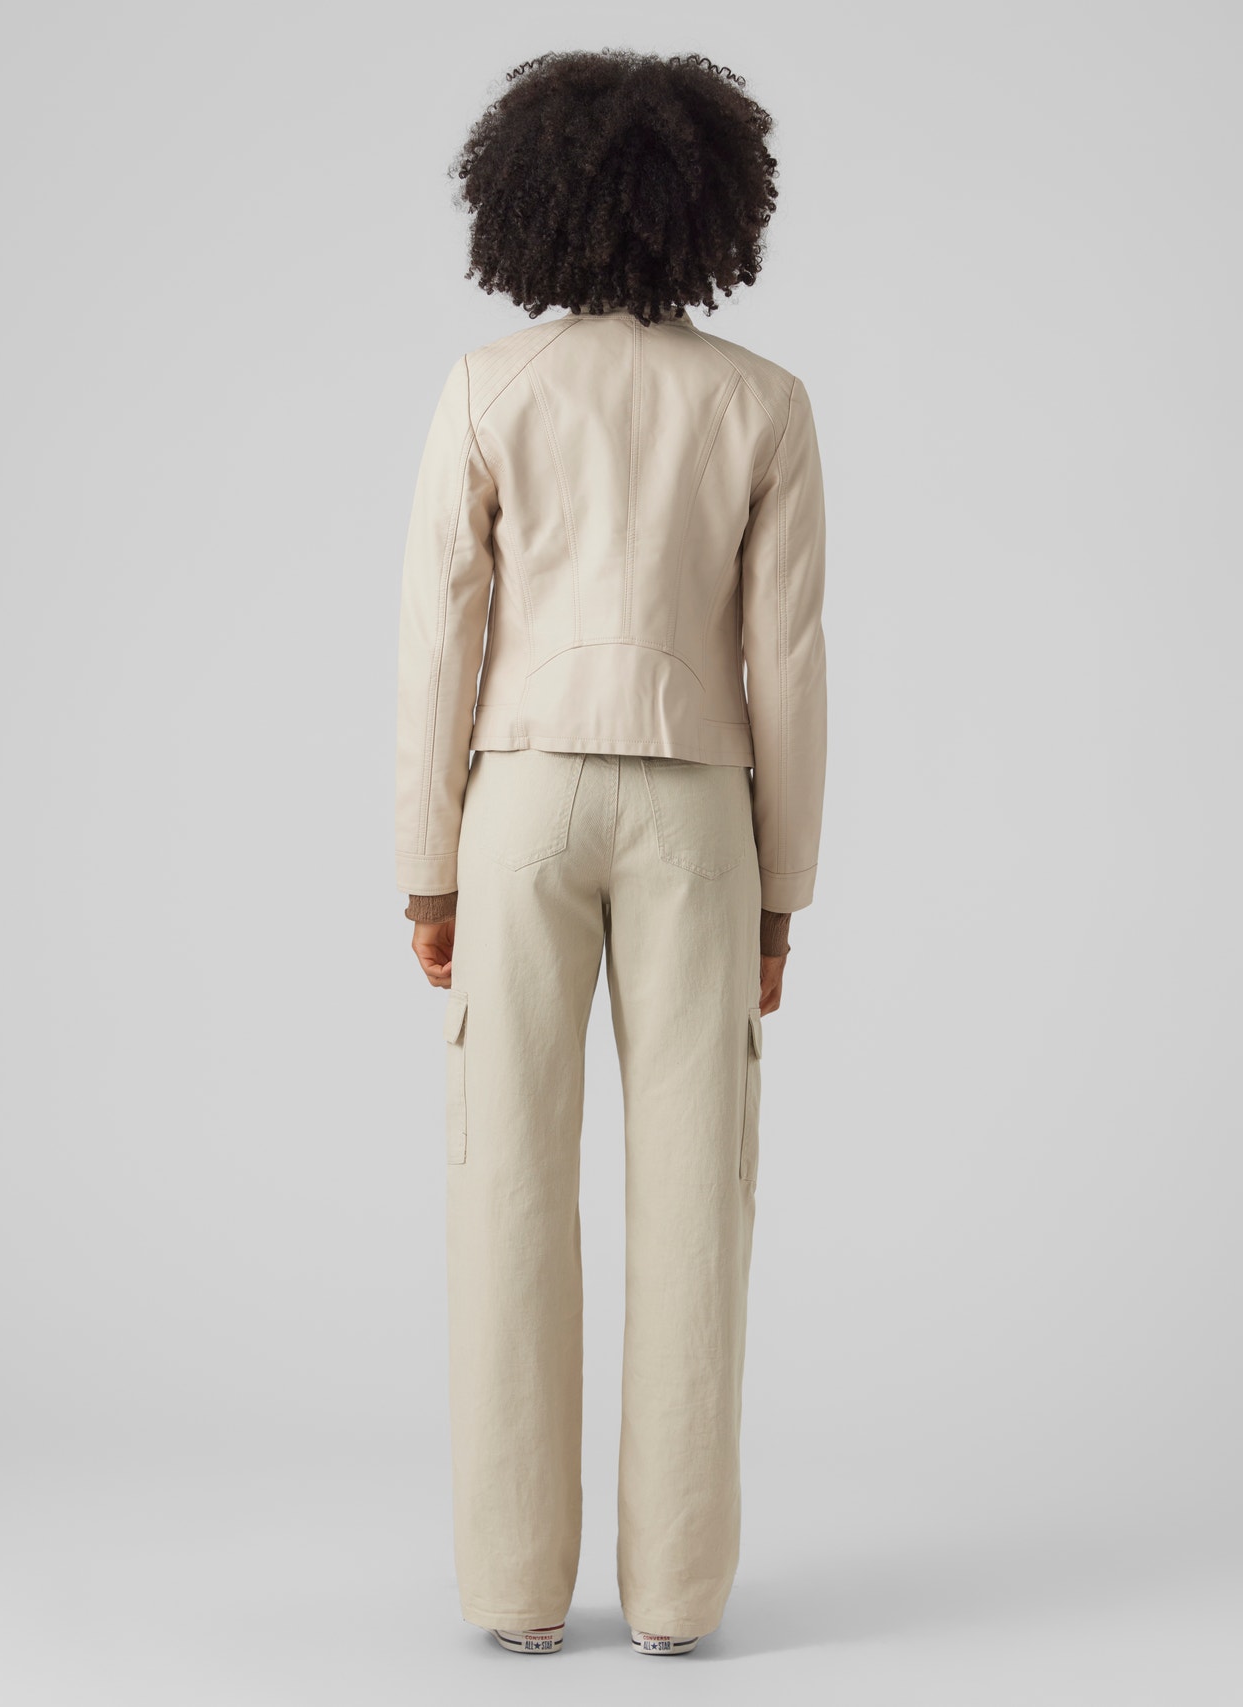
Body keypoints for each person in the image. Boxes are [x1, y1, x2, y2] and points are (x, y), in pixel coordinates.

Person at [394, 48, 827, 1657]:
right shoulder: (761, 403)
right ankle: (679, 1599)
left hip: (518, 805)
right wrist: (784, 891)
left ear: (531, 205)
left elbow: (436, 649)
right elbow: (789, 666)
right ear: (712, 211)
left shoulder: (487, 388)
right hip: (700, 813)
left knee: (505, 1182)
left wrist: (427, 866)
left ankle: (515, 1595)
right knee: (698, 1194)